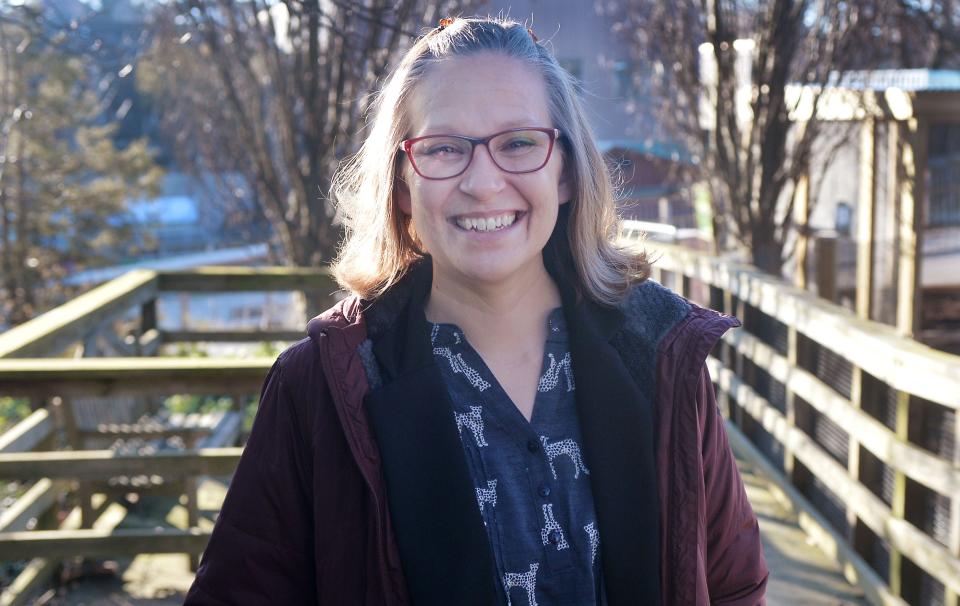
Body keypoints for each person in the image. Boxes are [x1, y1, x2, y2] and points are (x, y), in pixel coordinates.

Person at [184, 16, 767, 606]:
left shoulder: (661, 357)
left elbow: (734, 584)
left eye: (518, 143)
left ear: (564, 169)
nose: (484, 183)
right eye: (444, 149)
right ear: (403, 187)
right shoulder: (320, 386)